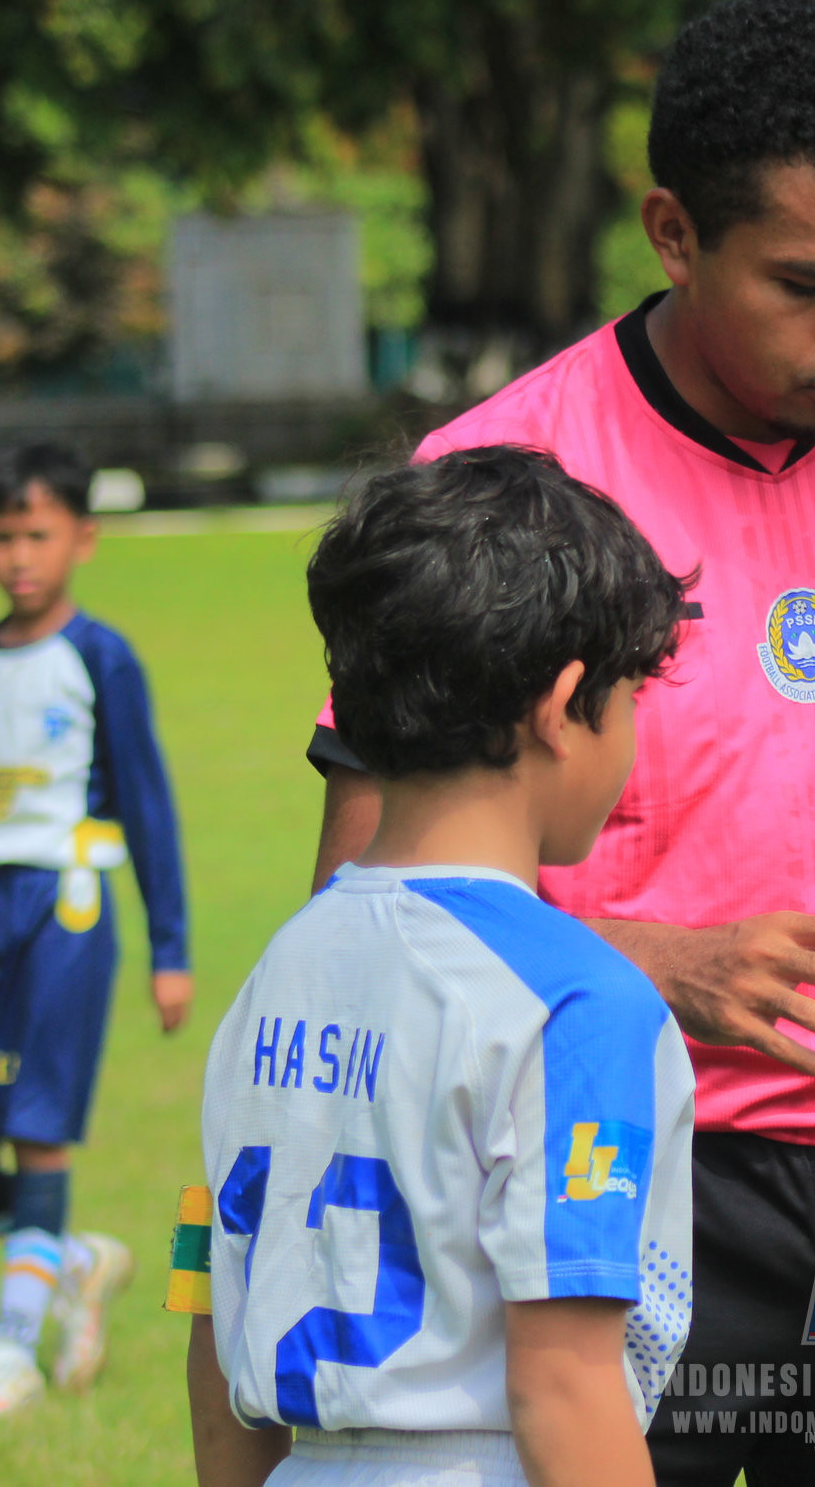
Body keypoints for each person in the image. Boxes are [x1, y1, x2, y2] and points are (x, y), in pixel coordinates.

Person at [304, 0, 815, 1483]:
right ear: (674, 232)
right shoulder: (499, 481)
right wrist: (652, 971)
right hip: (602, 1183)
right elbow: (367, 911)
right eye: (812, 282)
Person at [185, 446, 698, 1487]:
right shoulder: (579, 1001)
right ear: (564, 706)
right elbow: (563, 1385)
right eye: (634, 695)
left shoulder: (280, 970)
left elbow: (209, 1313)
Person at [0, 441, 191, 1417]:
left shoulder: (100, 657)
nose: (18, 556)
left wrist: (169, 950)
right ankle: (71, 1260)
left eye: (37, 534)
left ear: (83, 538)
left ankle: (13, 1349)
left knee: (36, 1134)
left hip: (62, 915)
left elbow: (148, 805)